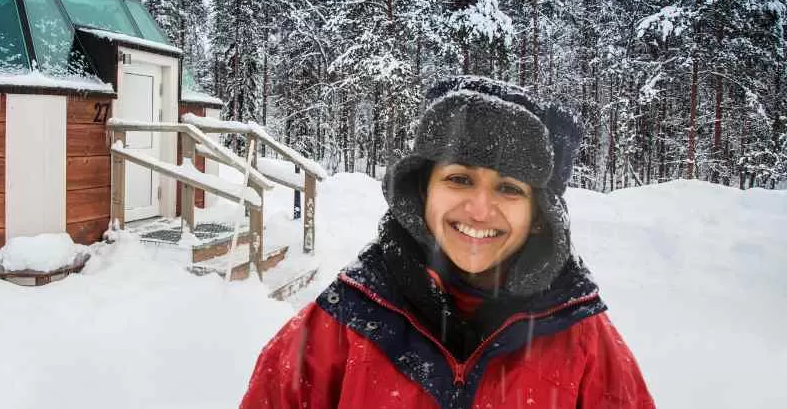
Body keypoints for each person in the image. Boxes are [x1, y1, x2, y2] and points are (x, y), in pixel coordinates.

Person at [240, 76, 654, 408]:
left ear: (538, 216)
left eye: (509, 188)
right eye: (459, 179)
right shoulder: (342, 322)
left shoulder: (583, 340)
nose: (479, 210)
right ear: (423, 191)